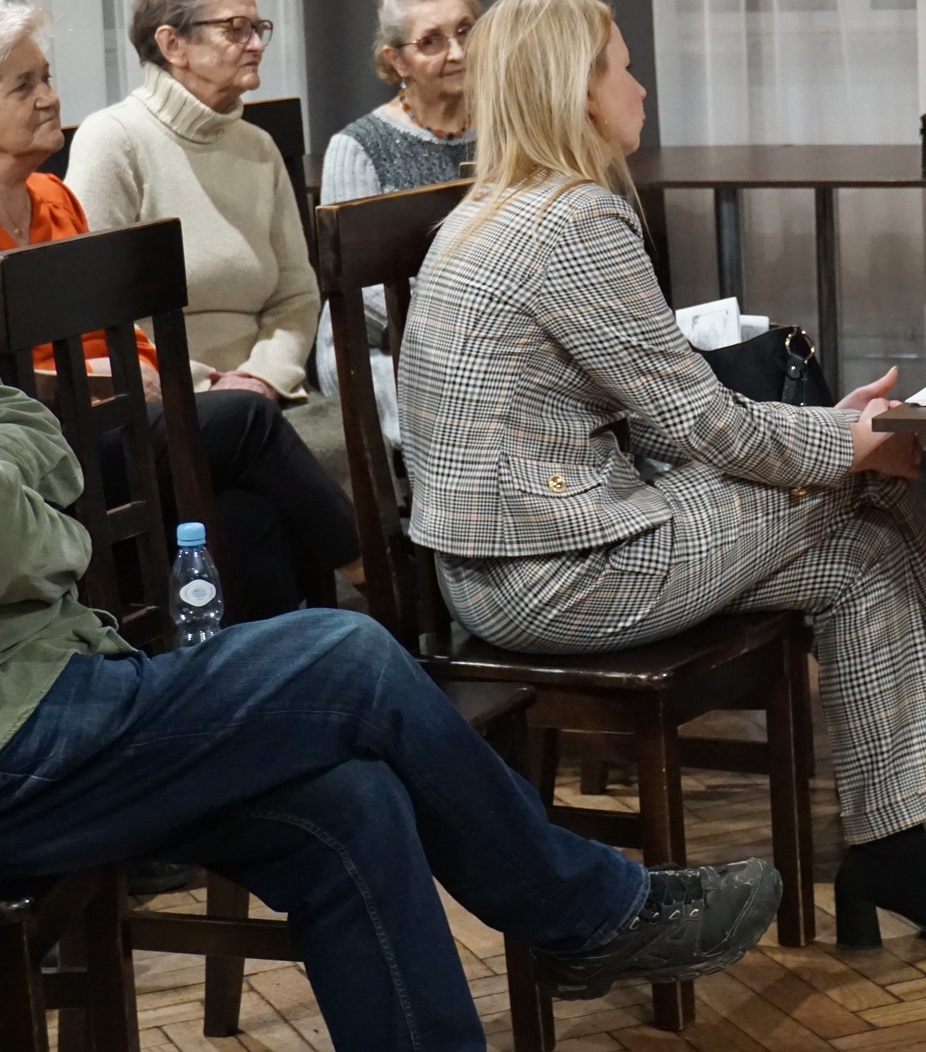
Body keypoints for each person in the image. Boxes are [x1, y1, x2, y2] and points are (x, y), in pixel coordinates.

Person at [396, 0, 926, 950]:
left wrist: (831, 433)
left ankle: (894, 850)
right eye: (623, 67)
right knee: (854, 482)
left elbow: (673, 418)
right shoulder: (573, 224)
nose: (640, 87)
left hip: (509, 559)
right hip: (553, 574)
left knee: (857, 561)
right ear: (576, 89)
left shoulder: (493, 212)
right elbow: (701, 423)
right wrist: (851, 443)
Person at [0, 381, 781, 1051]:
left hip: (65, 685)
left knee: (355, 804)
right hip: (22, 733)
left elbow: (44, 434)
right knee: (353, 658)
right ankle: (584, 912)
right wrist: (30, 493)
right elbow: (30, 539)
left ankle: (581, 914)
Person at [0, 0, 363, 618]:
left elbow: (119, 325)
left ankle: (267, 658)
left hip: (117, 420)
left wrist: (144, 370)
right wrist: (103, 377)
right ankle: (373, 573)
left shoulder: (53, 196)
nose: (50, 99)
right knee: (247, 418)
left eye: (48, 79)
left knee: (242, 508)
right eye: (24, 86)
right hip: (40, 446)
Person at [66, 0, 318, 406]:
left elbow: (296, 296)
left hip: (264, 393)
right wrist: (208, 386)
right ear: (173, 44)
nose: (256, 44)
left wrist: (261, 378)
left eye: (259, 28)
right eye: (236, 29)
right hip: (167, 399)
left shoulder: (259, 147)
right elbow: (93, 310)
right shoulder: (113, 139)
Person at [315, 0, 480, 448]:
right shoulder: (358, 147)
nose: (458, 52)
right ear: (397, 61)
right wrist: (465, 316)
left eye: (466, 31)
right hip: (383, 350)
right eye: (431, 41)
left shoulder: (506, 129)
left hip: (493, 337)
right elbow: (357, 291)